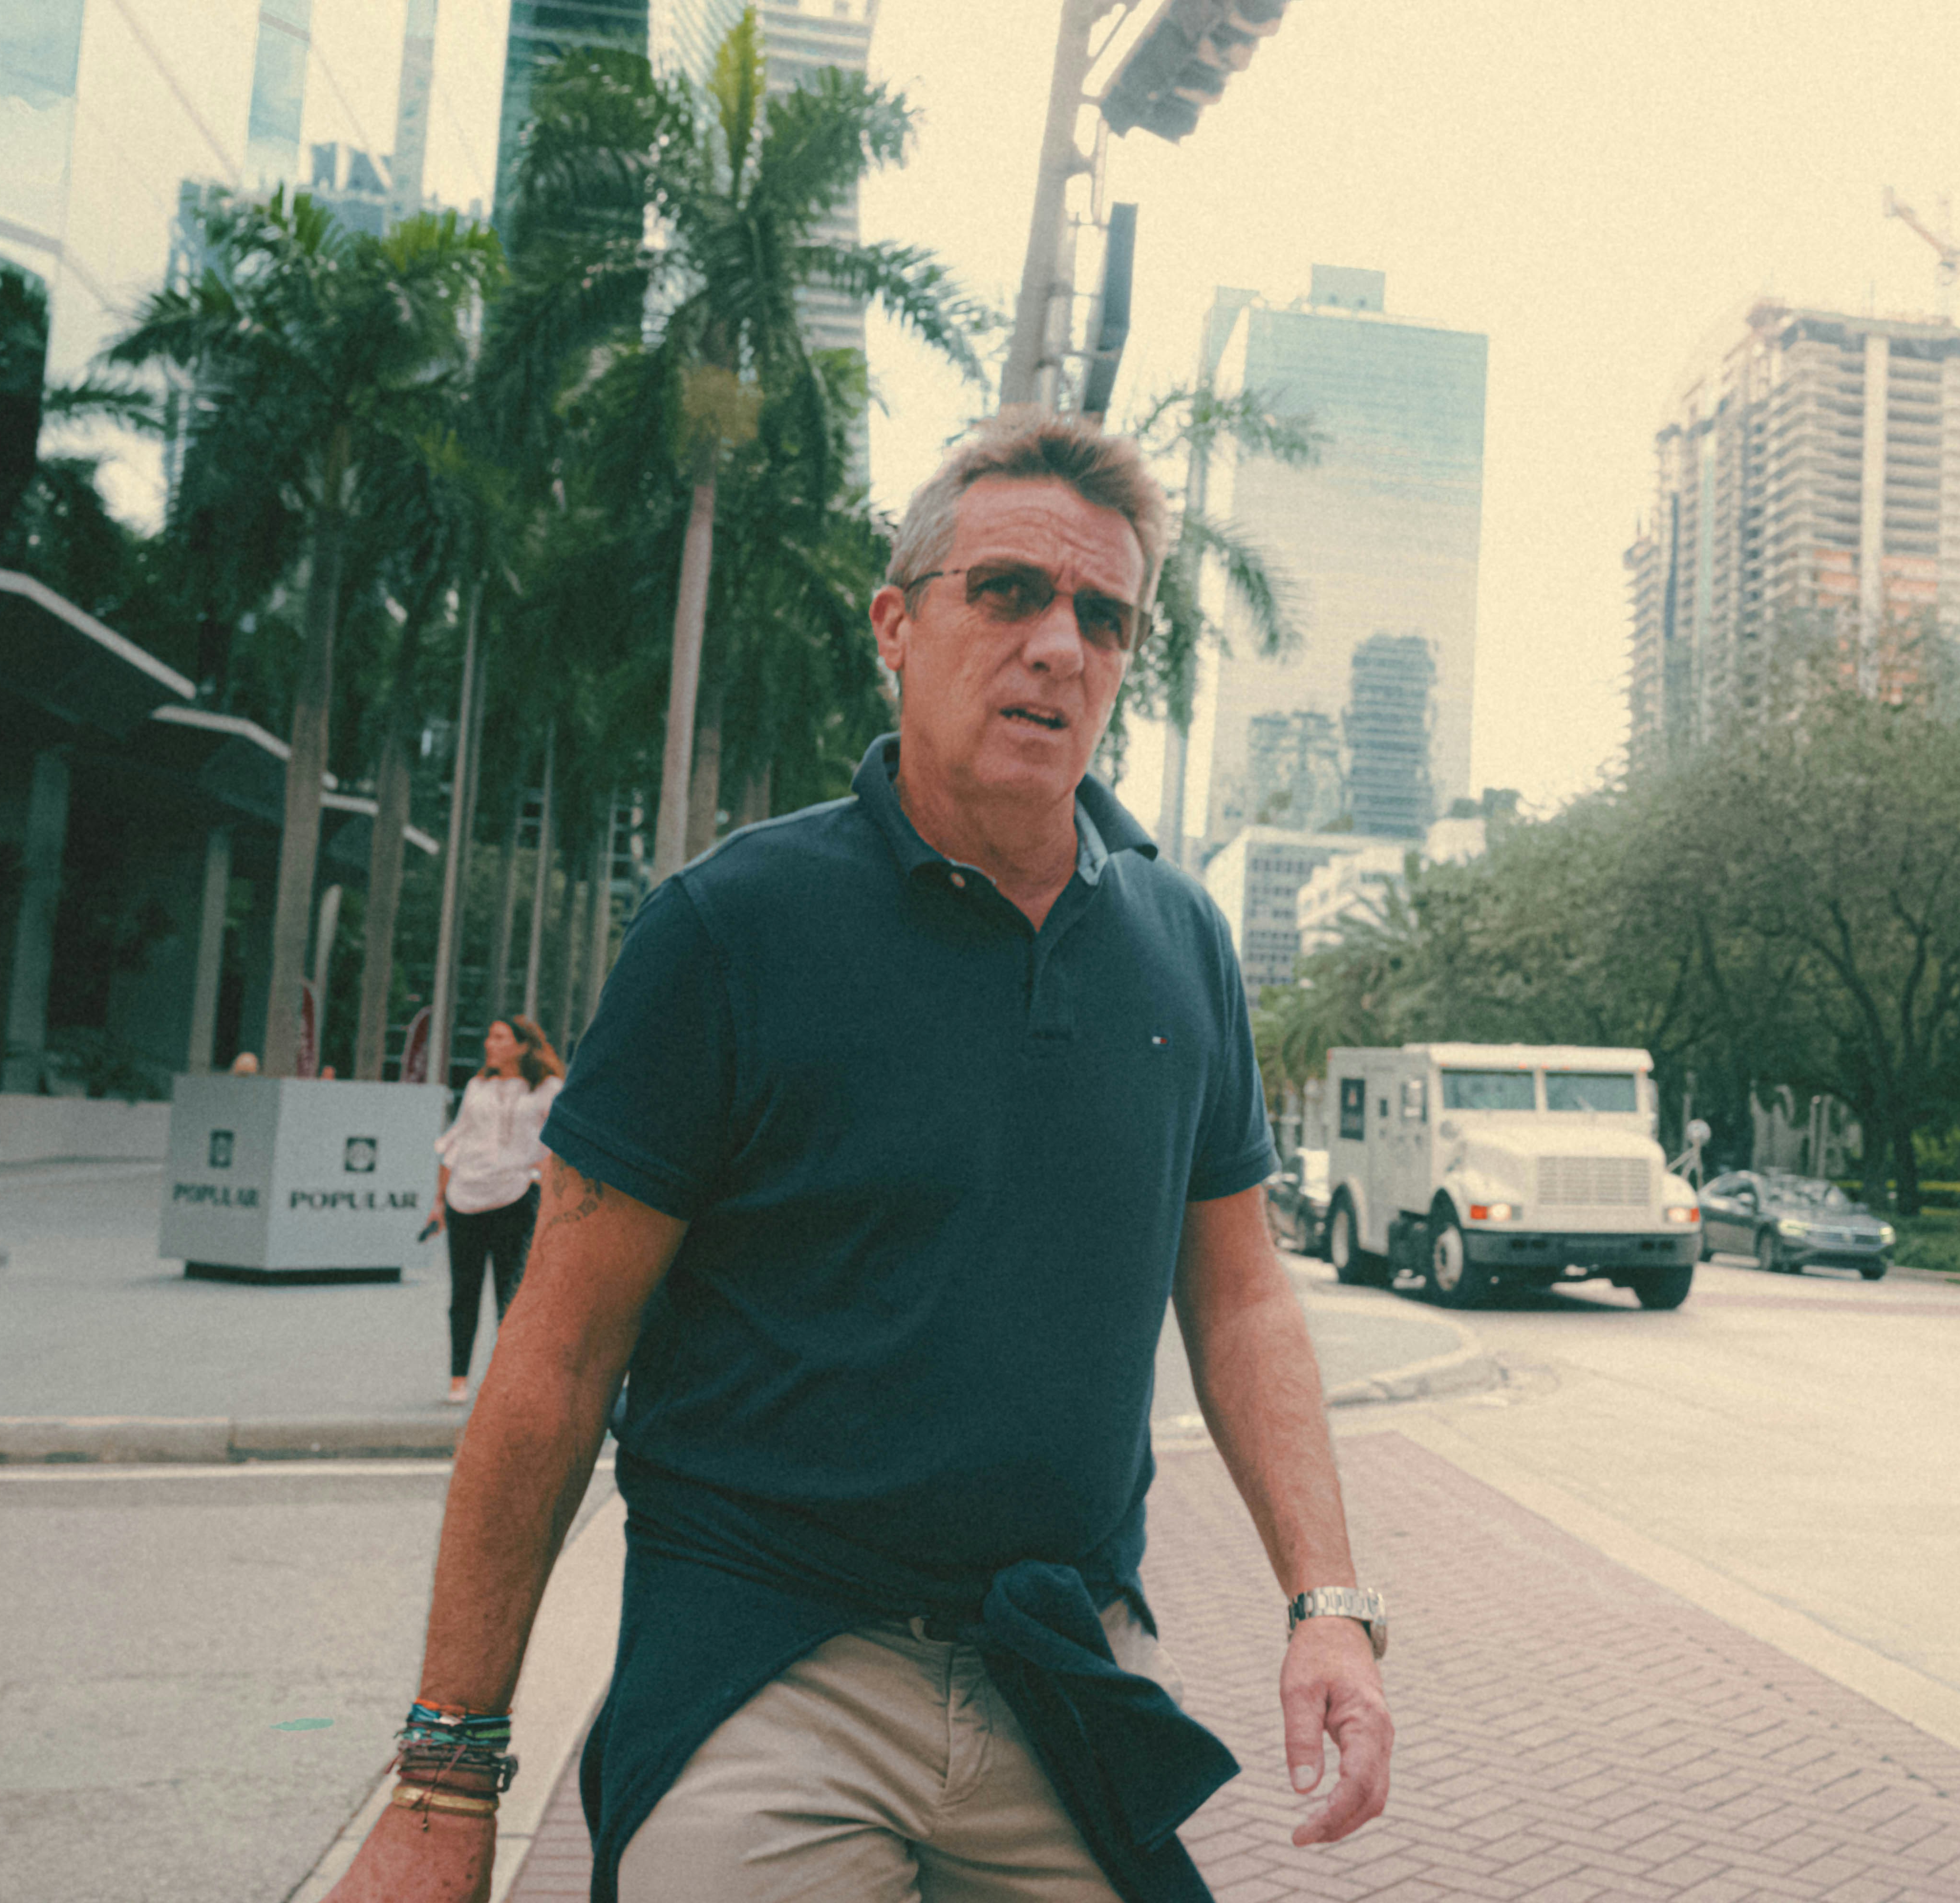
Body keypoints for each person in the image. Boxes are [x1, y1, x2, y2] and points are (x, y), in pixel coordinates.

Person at [330, 410, 1391, 1903]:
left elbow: (1241, 1300)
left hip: (1061, 1663)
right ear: (898, 622)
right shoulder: (730, 929)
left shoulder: (1182, 948)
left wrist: (1328, 1605)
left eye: (1102, 615)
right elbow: (560, 1358)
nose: (1057, 645)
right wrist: (446, 1781)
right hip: (766, 1667)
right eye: (1008, 590)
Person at [430, 1015, 562, 1406]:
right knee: (463, 1293)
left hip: (516, 1198)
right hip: (465, 1197)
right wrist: (439, 1201)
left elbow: (559, 1145)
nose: (490, 1043)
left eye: (500, 1037)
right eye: (489, 1036)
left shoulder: (547, 1089)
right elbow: (454, 1143)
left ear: (523, 1045)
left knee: (512, 1294)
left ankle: (507, 1380)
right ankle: (458, 1379)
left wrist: (539, 1178)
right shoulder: (477, 1086)